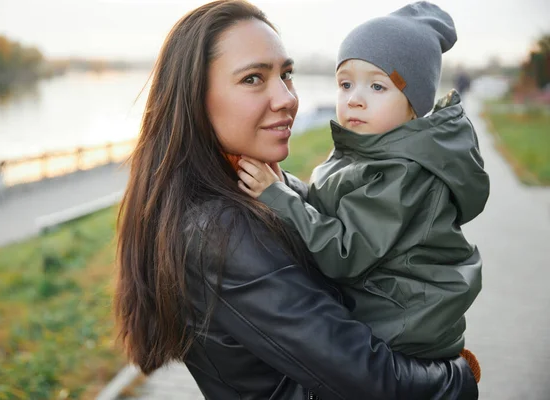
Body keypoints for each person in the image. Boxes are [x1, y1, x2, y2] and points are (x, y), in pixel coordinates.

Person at [114, 1, 479, 399]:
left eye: (287, 75)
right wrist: (458, 377)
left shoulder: (251, 185)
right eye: (253, 78)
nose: (287, 98)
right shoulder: (219, 230)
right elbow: (373, 381)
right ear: (194, 98)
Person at [237, 0, 488, 376]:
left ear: (414, 105)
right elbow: (331, 208)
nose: (354, 97)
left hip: (406, 325)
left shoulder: (402, 173)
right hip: (386, 309)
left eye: (377, 85)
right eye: (345, 83)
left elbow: (344, 251)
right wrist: (285, 185)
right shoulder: (370, 151)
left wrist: (278, 198)